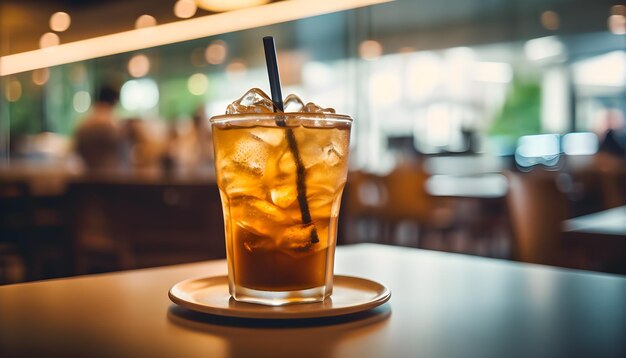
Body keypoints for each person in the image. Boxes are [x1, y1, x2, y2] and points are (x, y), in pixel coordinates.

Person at [74, 85, 122, 171]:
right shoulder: (111, 123)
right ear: (114, 100)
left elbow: (77, 148)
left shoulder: (86, 121)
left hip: (87, 174)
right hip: (109, 176)